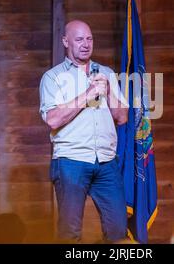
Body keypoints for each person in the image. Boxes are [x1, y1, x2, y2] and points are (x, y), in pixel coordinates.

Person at [39, 20, 129, 242]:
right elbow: (53, 120)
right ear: (65, 41)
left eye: (89, 39)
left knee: (118, 229)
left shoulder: (106, 73)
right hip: (71, 161)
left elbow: (122, 117)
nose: (86, 44)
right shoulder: (53, 77)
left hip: (107, 162)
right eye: (79, 39)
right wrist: (89, 94)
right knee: (70, 232)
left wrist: (107, 91)